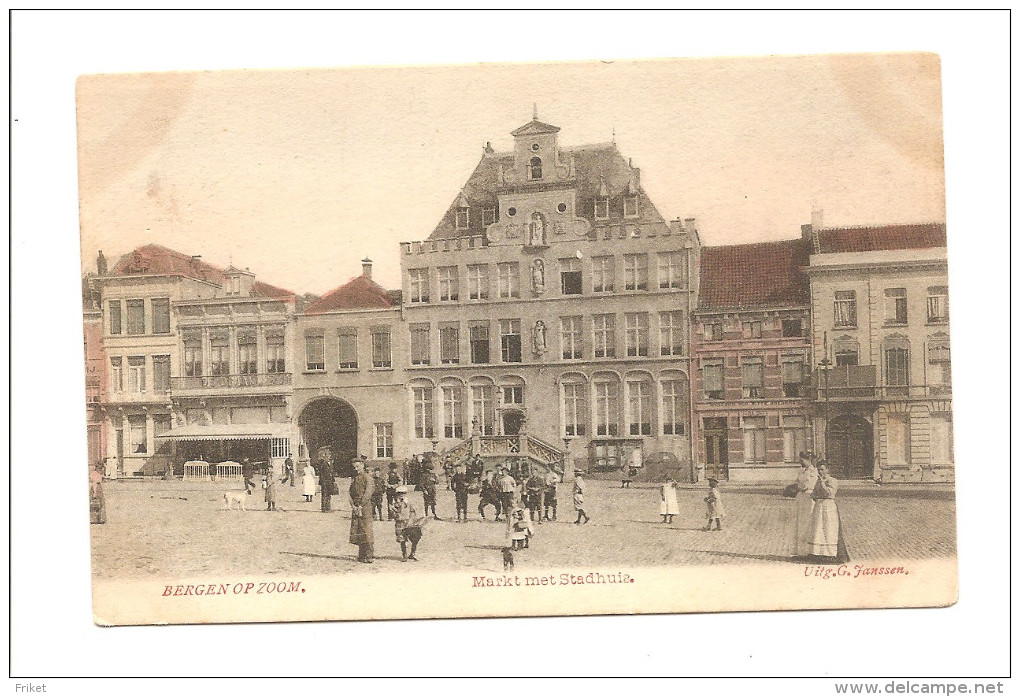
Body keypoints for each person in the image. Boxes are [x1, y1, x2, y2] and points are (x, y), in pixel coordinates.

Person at [808, 461, 844, 562]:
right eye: (818, 470)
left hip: (829, 506)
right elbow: (814, 494)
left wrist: (823, 484)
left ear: (827, 470)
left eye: (822, 469)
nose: (820, 472)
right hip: (819, 506)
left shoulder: (833, 481)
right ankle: (817, 553)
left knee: (828, 528)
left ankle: (830, 553)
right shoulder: (818, 481)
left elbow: (829, 493)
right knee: (818, 528)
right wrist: (815, 495)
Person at [792, 452, 819, 558]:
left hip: (808, 499)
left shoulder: (814, 471)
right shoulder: (802, 471)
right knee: (799, 523)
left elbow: (809, 485)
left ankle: (808, 551)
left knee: (807, 523)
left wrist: (800, 487)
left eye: (803, 459)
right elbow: (797, 482)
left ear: (809, 460)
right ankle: (800, 551)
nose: (801, 461)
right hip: (801, 499)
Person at [349, 458, 375, 563]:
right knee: (358, 530)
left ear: (362, 465)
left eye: (357, 466)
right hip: (356, 507)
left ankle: (369, 555)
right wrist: (353, 505)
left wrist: (361, 505)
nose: (356, 469)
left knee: (367, 530)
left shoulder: (368, 478)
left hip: (365, 507)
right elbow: (350, 492)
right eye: (354, 467)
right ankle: (361, 554)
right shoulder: (355, 478)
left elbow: (368, 493)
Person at [390, 486, 423, 561]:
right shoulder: (395, 504)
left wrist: (412, 520)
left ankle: (412, 553)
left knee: (415, 538)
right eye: (399, 494)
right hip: (400, 523)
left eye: (403, 493)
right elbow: (393, 515)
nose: (401, 495)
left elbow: (413, 511)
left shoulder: (409, 502)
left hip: (409, 522)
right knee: (402, 540)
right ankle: (404, 555)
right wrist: (394, 513)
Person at [317, 448, 337, 513]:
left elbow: (332, 473)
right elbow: (322, 474)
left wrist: (333, 481)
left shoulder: (330, 464)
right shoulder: (323, 464)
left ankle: (328, 508)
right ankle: (324, 508)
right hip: (325, 482)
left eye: (330, 455)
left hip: (330, 482)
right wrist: (322, 482)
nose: (329, 457)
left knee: (329, 495)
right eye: (328, 455)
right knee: (325, 495)